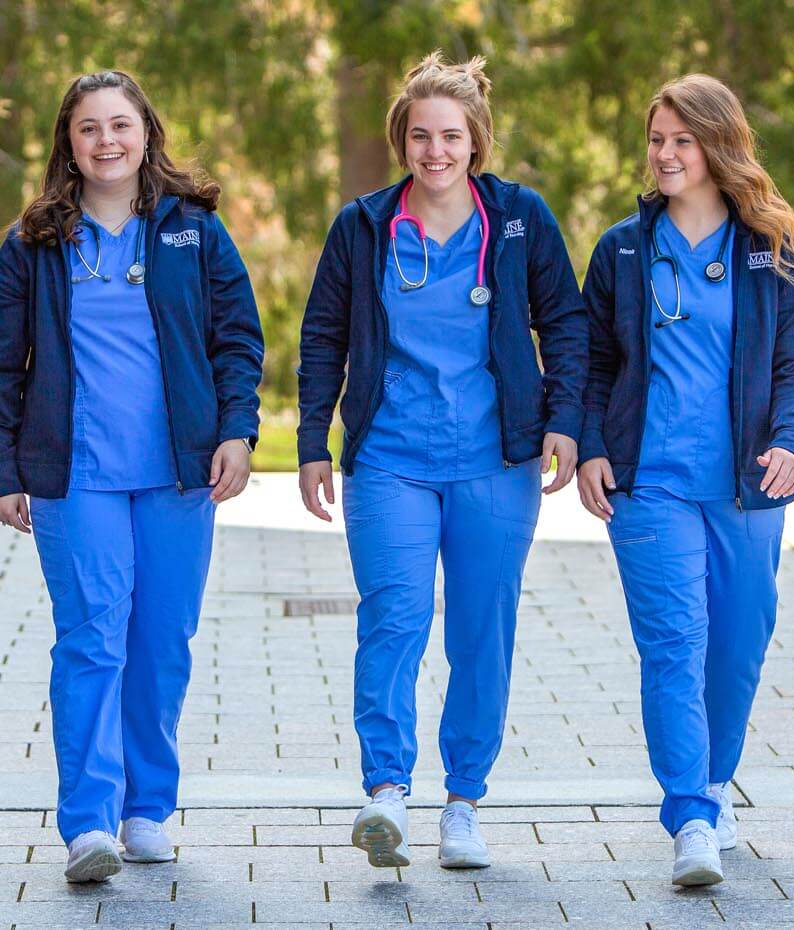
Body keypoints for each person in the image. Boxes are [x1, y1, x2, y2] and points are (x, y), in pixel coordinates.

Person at [295, 52, 587, 871]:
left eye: (450, 136)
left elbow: (564, 322)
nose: (435, 151)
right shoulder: (363, 226)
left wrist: (563, 420)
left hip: (496, 459)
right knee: (392, 618)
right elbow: (322, 336)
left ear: (476, 141)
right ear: (401, 141)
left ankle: (464, 802)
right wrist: (312, 440)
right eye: (420, 135)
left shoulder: (520, 219)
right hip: (389, 458)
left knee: (479, 630)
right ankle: (387, 792)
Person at [0, 70, 264, 883]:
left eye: (120, 126)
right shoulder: (33, 243)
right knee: (93, 640)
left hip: (178, 475)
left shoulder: (193, 231)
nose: (107, 141)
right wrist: (0, 468)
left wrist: (238, 431)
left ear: (146, 134)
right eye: (89, 128)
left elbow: (238, 339)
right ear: (68, 142)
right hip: (77, 477)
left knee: (161, 641)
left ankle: (147, 809)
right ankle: (90, 821)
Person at [576, 73, 794, 887]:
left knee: (740, 644)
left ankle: (716, 786)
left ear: (718, 144)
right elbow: (592, 360)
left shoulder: (772, 249)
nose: (667, 154)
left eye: (683, 139)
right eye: (657, 140)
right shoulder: (622, 249)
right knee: (674, 645)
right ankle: (689, 813)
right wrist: (589, 445)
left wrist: (791, 441)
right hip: (650, 485)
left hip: (750, 485)